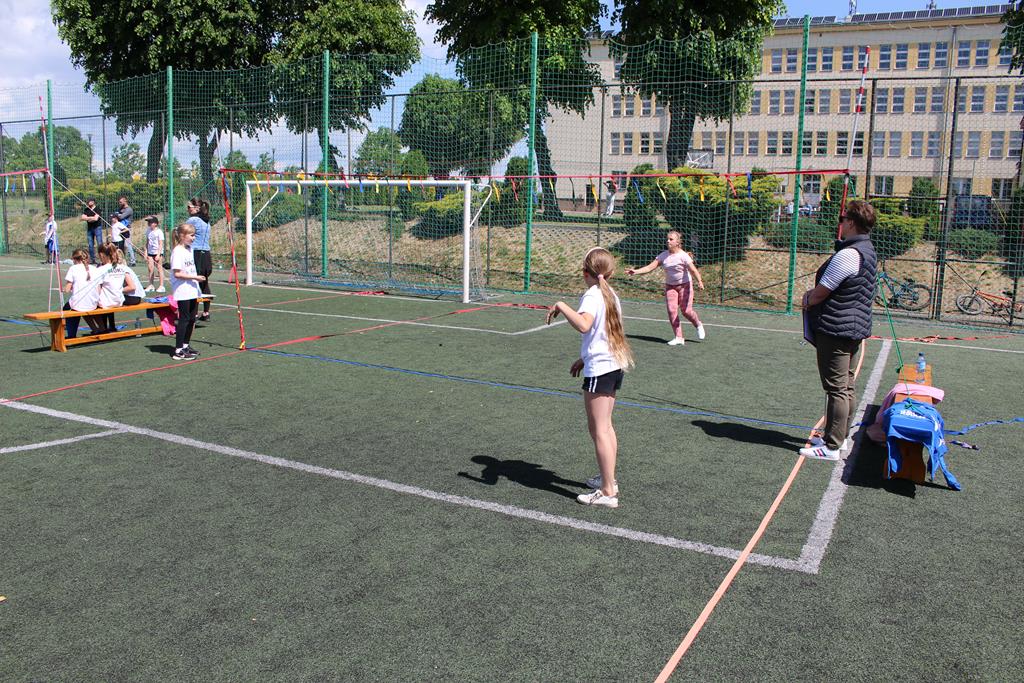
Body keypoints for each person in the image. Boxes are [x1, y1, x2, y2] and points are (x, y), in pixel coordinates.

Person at [545, 247, 634, 508]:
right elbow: (605, 332)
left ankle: (607, 492)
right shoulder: (609, 294)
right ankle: (609, 480)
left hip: (603, 368)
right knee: (605, 427)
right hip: (612, 365)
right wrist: (584, 358)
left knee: (599, 430)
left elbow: (584, 325)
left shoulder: (593, 295)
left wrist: (561, 305)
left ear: (586, 272)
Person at [800, 199, 878, 461]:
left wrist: (808, 299)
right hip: (854, 326)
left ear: (851, 223)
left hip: (836, 329)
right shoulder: (868, 250)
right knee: (846, 386)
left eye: (843, 219)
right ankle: (839, 438)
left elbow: (822, 292)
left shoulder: (849, 254)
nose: (841, 224)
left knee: (836, 388)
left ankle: (832, 445)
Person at [626, 230, 706, 346]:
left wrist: (699, 281)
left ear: (677, 242)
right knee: (672, 310)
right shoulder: (663, 255)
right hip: (670, 287)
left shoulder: (683, 256)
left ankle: (698, 324)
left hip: (685, 285)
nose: (668, 241)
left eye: (671, 239)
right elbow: (649, 267)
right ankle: (679, 337)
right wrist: (635, 271)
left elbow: (693, 270)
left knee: (686, 311)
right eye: (667, 239)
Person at [169, 223, 206, 360]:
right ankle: (178, 350)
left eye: (194, 235)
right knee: (184, 319)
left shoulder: (189, 249)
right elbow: (177, 273)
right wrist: (195, 277)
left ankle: (185, 345)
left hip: (192, 289)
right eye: (191, 235)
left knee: (191, 319)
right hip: (182, 290)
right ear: (182, 236)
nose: (193, 238)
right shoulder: (177, 251)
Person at [62, 248, 101, 339]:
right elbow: (98, 289)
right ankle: (95, 329)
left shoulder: (73, 268)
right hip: (93, 303)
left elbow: (67, 289)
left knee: (68, 308)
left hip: (79, 304)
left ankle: (71, 334)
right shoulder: (94, 269)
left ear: (75, 259)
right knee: (80, 305)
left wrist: (63, 289)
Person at [186, 197, 213, 322]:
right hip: (206, 254)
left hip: (197, 254)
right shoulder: (206, 221)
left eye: (189, 207)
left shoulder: (193, 220)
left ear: (196, 208)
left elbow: (183, 232)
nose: (187, 210)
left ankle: (194, 314)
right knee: (204, 282)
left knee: (194, 283)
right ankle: (206, 312)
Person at [95, 242, 126, 334]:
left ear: (101, 255)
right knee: (108, 294)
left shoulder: (101, 269)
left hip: (107, 302)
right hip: (119, 300)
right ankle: (111, 326)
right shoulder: (121, 267)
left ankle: (102, 327)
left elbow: (98, 289)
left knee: (99, 299)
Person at [143, 216, 165, 293]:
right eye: (148, 222)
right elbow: (147, 242)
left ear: (155, 223)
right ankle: (151, 285)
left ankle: (161, 286)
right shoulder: (148, 231)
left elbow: (161, 244)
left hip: (157, 252)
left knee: (159, 268)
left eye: (150, 222)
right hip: (150, 252)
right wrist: (146, 252)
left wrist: (158, 254)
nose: (149, 223)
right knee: (150, 268)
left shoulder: (159, 232)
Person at [114, 195, 137, 266]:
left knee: (127, 245)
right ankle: (121, 260)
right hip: (120, 229)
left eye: (121, 202)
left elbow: (121, 217)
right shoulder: (120, 209)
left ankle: (133, 261)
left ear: (125, 201)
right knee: (121, 245)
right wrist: (117, 214)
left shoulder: (129, 209)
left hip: (126, 229)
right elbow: (116, 215)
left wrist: (117, 214)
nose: (119, 203)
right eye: (119, 202)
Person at [80, 199, 103, 264]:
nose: (87, 202)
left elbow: (96, 219)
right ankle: (92, 259)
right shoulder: (86, 209)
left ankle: (102, 259)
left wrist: (88, 218)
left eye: (89, 201)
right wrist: (91, 218)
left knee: (100, 244)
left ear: (93, 202)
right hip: (90, 229)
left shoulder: (97, 209)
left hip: (97, 228)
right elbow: (82, 218)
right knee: (90, 244)